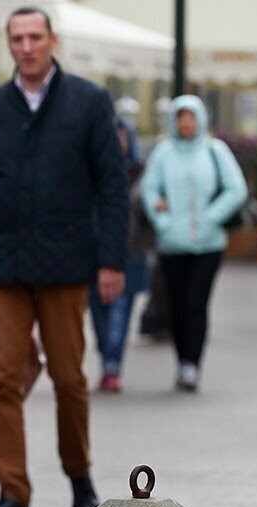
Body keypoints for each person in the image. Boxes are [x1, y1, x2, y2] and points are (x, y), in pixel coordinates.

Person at [0, 5, 128, 507]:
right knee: (0, 380)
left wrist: (111, 260)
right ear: (8, 45)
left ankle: (80, 479)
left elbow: (112, 184)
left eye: (35, 37)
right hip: (6, 263)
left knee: (69, 378)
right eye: (17, 39)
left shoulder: (88, 100)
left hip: (66, 260)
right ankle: (12, 492)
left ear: (52, 40)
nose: (27, 47)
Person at [140, 95, 247, 393]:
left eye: (191, 117)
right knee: (176, 304)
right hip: (172, 243)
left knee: (196, 303)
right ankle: (181, 358)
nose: (186, 123)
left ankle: (193, 363)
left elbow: (236, 189)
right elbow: (149, 191)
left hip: (208, 243)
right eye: (180, 117)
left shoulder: (214, 150)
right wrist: (164, 223)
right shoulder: (163, 153)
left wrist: (212, 216)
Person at [91, 117, 150, 394]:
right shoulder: (89, 173)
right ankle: (107, 356)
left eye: (122, 136)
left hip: (130, 252)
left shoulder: (141, 173)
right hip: (94, 252)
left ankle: (112, 365)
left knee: (121, 310)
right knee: (99, 310)